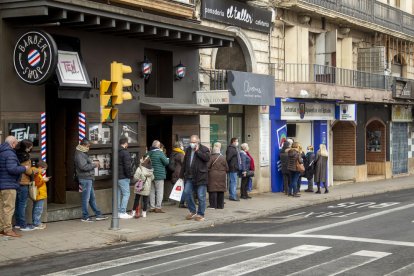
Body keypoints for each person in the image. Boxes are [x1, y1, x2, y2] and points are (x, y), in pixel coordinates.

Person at [74, 138, 108, 222]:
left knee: (92, 198)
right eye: (88, 146)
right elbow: (83, 167)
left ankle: (98, 214)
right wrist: (94, 165)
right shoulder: (79, 154)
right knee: (86, 198)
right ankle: (85, 216)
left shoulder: (82, 153)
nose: (89, 148)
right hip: (85, 178)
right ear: (84, 145)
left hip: (88, 178)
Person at [0, 136, 27, 237]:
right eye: (16, 143)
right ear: (12, 143)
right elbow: (12, 169)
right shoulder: (10, 153)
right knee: (8, 208)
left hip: (2, 184)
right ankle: (8, 230)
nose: (16, 145)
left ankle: (1, 228)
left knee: (1, 207)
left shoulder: (1, 151)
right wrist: (24, 168)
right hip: (8, 185)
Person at [180, 135, 210, 221]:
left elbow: (207, 158)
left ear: (198, 142)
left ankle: (200, 214)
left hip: (201, 176)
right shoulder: (188, 150)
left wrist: (198, 151)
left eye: (193, 142)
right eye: (191, 142)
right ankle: (193, 211)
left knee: (201, 196)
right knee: (186, 192)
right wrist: (181, 176)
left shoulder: (204, 149)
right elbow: (185, 162)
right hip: (189, 176)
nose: (192, 144)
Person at [15, 139, 39, 231]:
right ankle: (23, 225)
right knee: (22, 204)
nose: (31, 148)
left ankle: (18, 223)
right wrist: (36, 170)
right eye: (30, 146)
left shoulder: (16, 154)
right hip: (23, 182)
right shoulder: (25, 156)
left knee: (18, 204)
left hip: (17, 182)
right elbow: (28, 170)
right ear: (26, 147)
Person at [147, 140, 169, 213]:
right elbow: (166, 162)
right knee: (159, 191)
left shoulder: (149, 153)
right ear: (158, 146)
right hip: (159, 175)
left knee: (151, 191)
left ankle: (152, 207)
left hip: (150, 175)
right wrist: (167, 159)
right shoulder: (160, 153)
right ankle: (158, 207)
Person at [207, 142, 228, 209]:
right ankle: (220, 205)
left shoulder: (211, 157)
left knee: (213, 190)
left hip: (213, 176)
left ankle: (213, 205)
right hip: (222, 176)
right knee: (220, 190)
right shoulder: (223, 158)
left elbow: (207, 167)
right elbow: (227, 168)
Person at [32, 161, 50, 230]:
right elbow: (37, 184)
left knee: (36, 208)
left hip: (39, 194)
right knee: (38, 209)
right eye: (44, 169)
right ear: (40, 168)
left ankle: (36, 222)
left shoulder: (38, 173)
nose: (44, 171)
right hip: (39, 194)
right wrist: (44, 180)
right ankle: (36, 223)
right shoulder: (37, 174)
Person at [118, 137, 133, 219]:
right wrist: (129, 176)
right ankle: (122, 212)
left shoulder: (116, 151)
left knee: (117, 194)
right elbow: (127, 166)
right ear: (125, 143)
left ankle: (117, 212)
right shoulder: (125, 153)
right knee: (126, 194)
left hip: (116, 177)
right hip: (123, 177)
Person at [169, 141, 186, 208]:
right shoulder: (181, 154)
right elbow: (184, 163)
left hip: (175, 172)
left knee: (176, 186)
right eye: (182, 145)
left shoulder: (173, 153)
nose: (183, 146)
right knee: (182, 187)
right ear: (179, 146)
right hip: (180, 172)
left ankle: (173, 201)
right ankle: (181, 203)